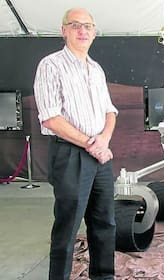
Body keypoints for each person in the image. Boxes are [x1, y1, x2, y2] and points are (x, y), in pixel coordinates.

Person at [33, 7, 117, 280]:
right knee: (67, 227)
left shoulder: (96, 69)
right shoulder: (51, 65)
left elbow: (110, 111)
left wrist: (103, 141)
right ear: (64, 30)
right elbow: (50, 117)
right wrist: (91, 143)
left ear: (94, 32)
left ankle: (103, 276)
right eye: (75, 25)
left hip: (100, 156)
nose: (83, 31)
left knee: (105, 223)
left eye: (88, 26)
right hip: (70, 155)